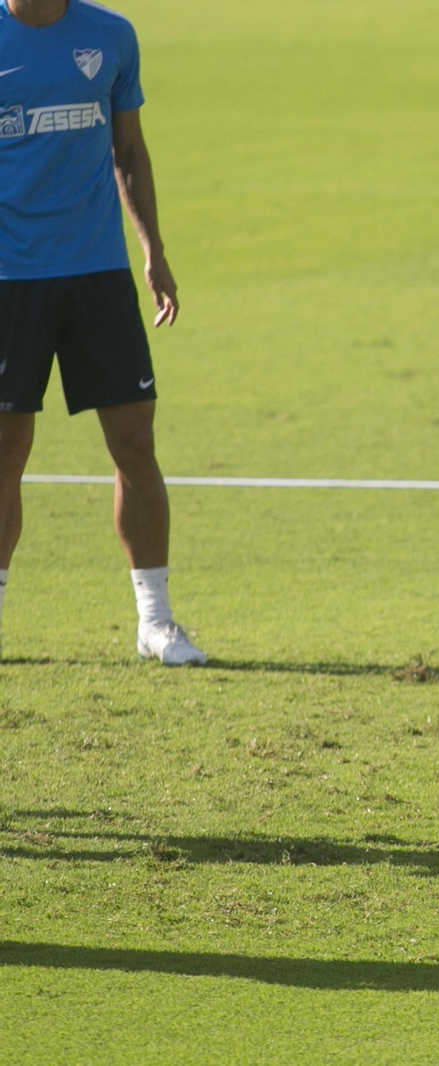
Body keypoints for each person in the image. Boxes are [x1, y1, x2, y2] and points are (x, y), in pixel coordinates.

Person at [0, 0, 202, 665]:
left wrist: (153, 249)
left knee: (135, 444)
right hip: (9, 278)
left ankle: (156, 622)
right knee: (5, 450)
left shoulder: (111, 36)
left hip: (97, 272)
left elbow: (129, 149)